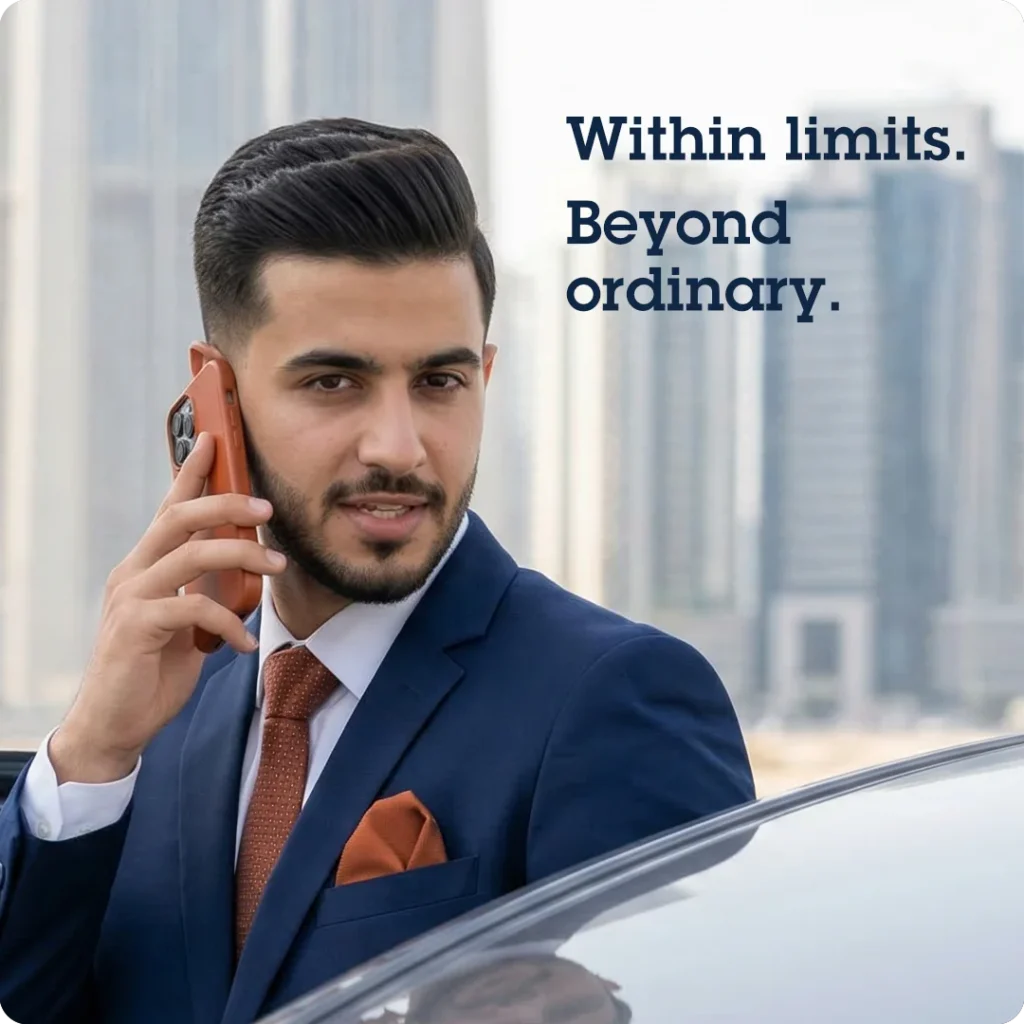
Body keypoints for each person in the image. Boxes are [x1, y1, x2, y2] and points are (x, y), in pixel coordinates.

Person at [0, 117, 754, 1024]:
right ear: (218, 399)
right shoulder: (160, 711)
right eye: (334, 383)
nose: (399, 447)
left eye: (440, 382)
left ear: (485, 375)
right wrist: (89, 756)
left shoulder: (618, 701)